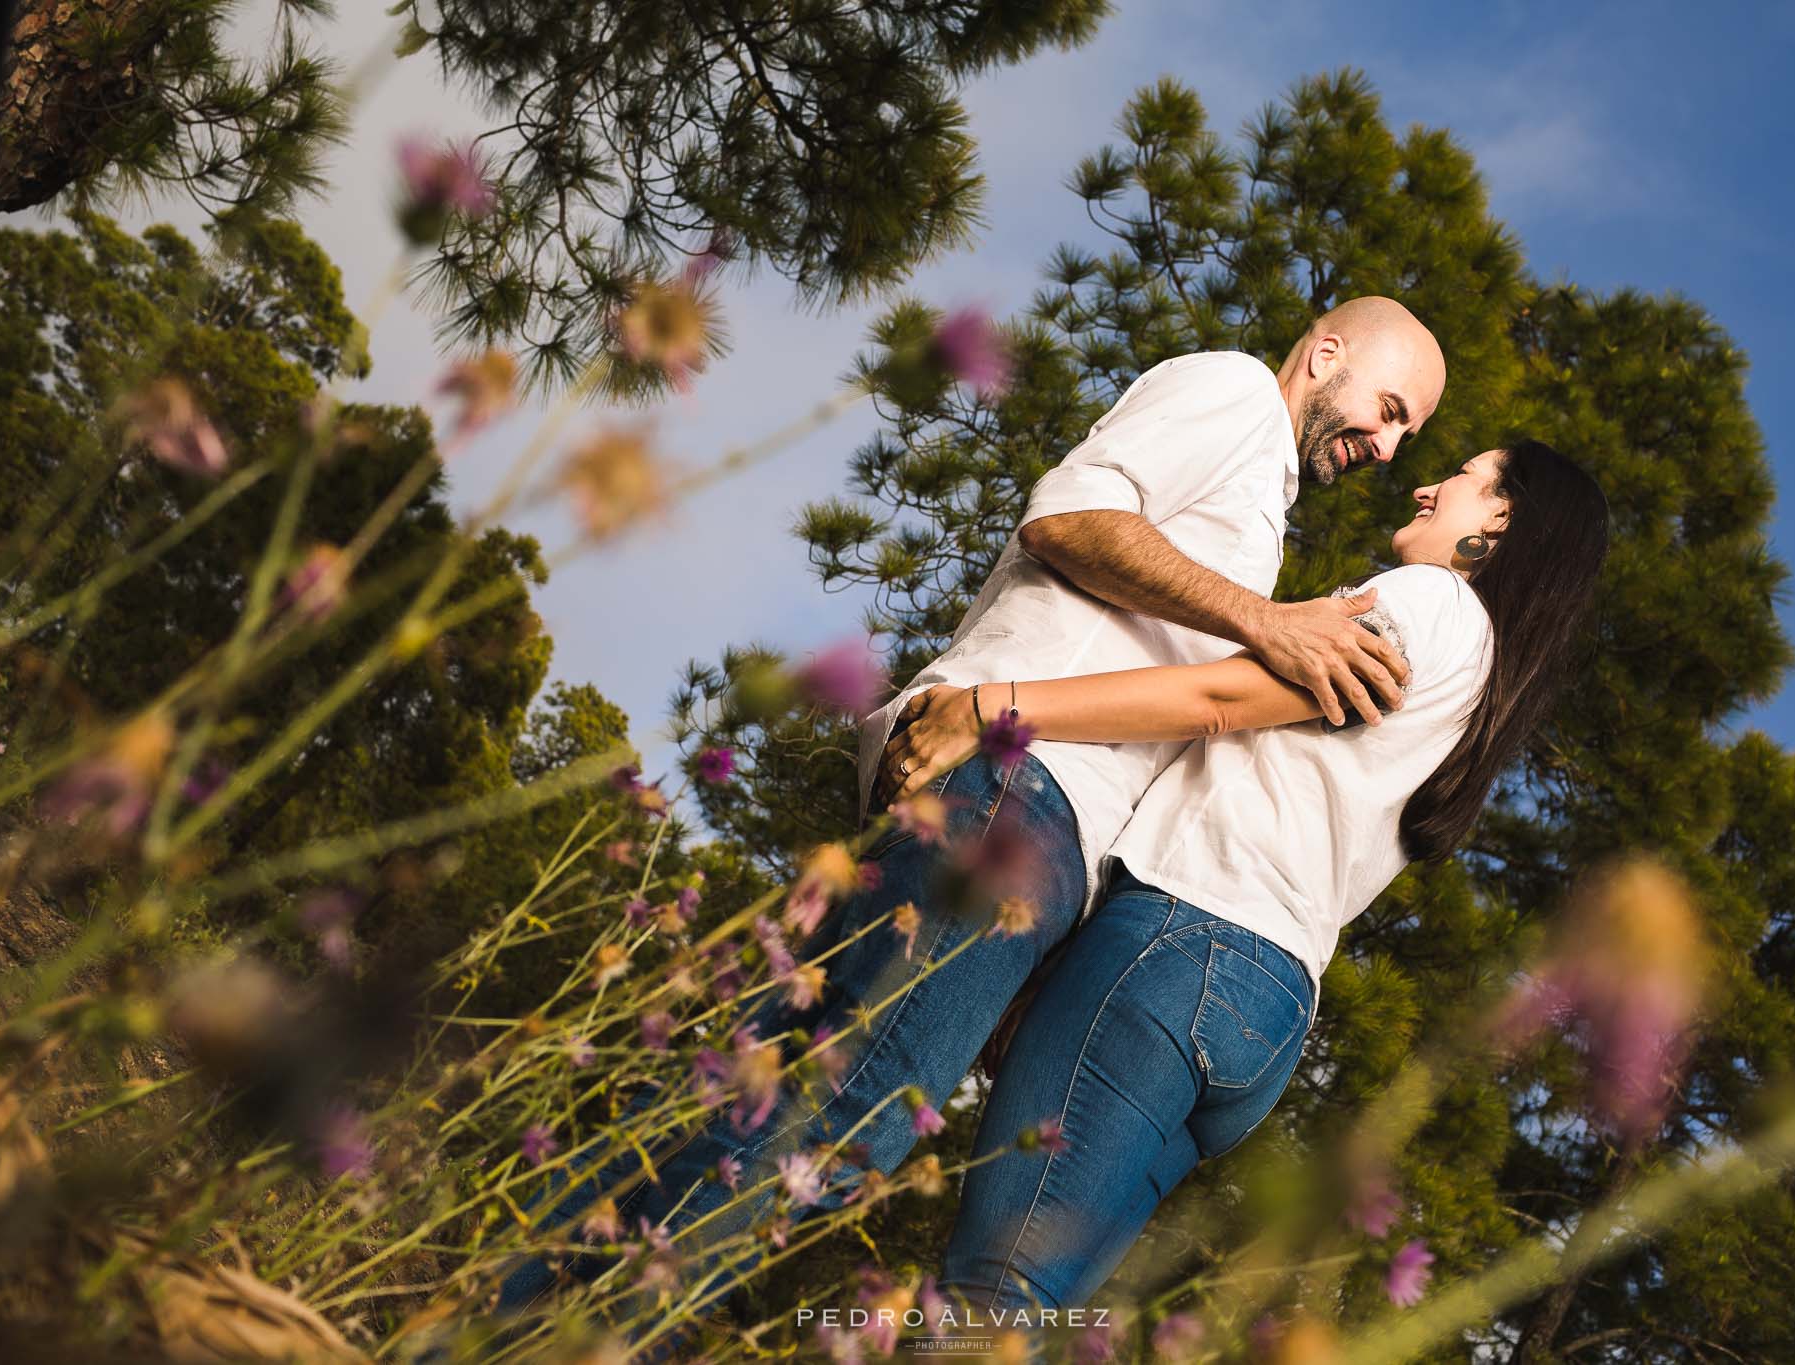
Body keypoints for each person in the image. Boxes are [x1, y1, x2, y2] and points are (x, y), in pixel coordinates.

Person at [496, 297, 1447, 1313]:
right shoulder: (1230, 395)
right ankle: (567, 1331)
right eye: (1387, 409)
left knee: (786, 1090)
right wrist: (1263, 623)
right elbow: (1066, 522)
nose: (1386, 446)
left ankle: (519, 1320)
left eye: (1405, 433)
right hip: (1009, 791)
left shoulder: (1256, 494)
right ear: (1326, 351)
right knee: (840, 1116)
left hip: (1031, 816)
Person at [876, 440, 1610, 1313]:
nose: (1425, 484)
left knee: (989, 1299)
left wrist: (992, 708)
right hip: (1267, 1018)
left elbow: (1217, 700)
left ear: (1501, 517)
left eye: (1459, 475)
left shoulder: (1433, 602)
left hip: (1184, 946)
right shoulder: (1483, 682)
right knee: (1023, 1310)